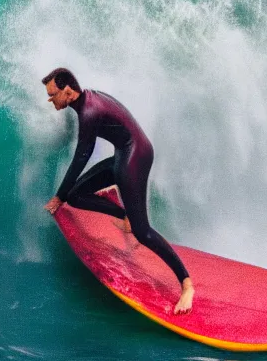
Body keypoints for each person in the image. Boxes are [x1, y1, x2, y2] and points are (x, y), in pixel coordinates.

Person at [42, 68, 194, 314]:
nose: (50, 100)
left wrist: (58, 196)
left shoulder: (89, 112)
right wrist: (65, 195)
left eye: (53, 95)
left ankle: (186, 284)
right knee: (76, 195)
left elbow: (81, 157)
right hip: (125, 153)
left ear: (68, 92)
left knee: (142, 231)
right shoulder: (86, 100)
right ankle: (124, 214)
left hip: (135, 157)